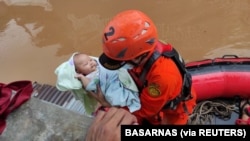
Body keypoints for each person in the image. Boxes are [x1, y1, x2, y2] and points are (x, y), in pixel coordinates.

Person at [88, 9, 197, 125]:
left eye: (122, 61)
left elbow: (146, 110)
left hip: (172, 112)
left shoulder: (162, 76)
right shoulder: (146, 47)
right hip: (153, 95)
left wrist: (108, 105)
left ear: (138, 57)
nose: (122, 65)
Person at [54, 52, 141, 114]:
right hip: (108, 88)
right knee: (114, 96)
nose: (91, 63)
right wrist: (82, 77)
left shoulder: (100, 65)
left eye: (91, 60)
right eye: (85, 64)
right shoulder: (88, 77)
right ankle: (126, 101)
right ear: (79, 71)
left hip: (114, 80)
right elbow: (90, 86)